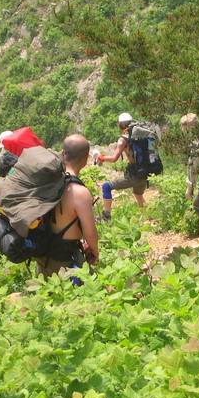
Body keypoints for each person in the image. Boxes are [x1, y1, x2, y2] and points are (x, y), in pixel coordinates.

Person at [35, 134, 99, 276]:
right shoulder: (80, 193)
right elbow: (90, 233)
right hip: (64, 260)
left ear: (63, 153)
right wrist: (95, 253)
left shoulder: (48, 180)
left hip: (41, 253)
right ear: (86, 159)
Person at [97, 112, 148, 221]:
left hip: (134, 174)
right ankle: (146, 217)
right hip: (145, 172)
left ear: (120, 125)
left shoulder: (123, 140)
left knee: (106, 187)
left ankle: (106, 216)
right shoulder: (140, 136)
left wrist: (102, 158)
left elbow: (114, 158)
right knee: (138, 194)